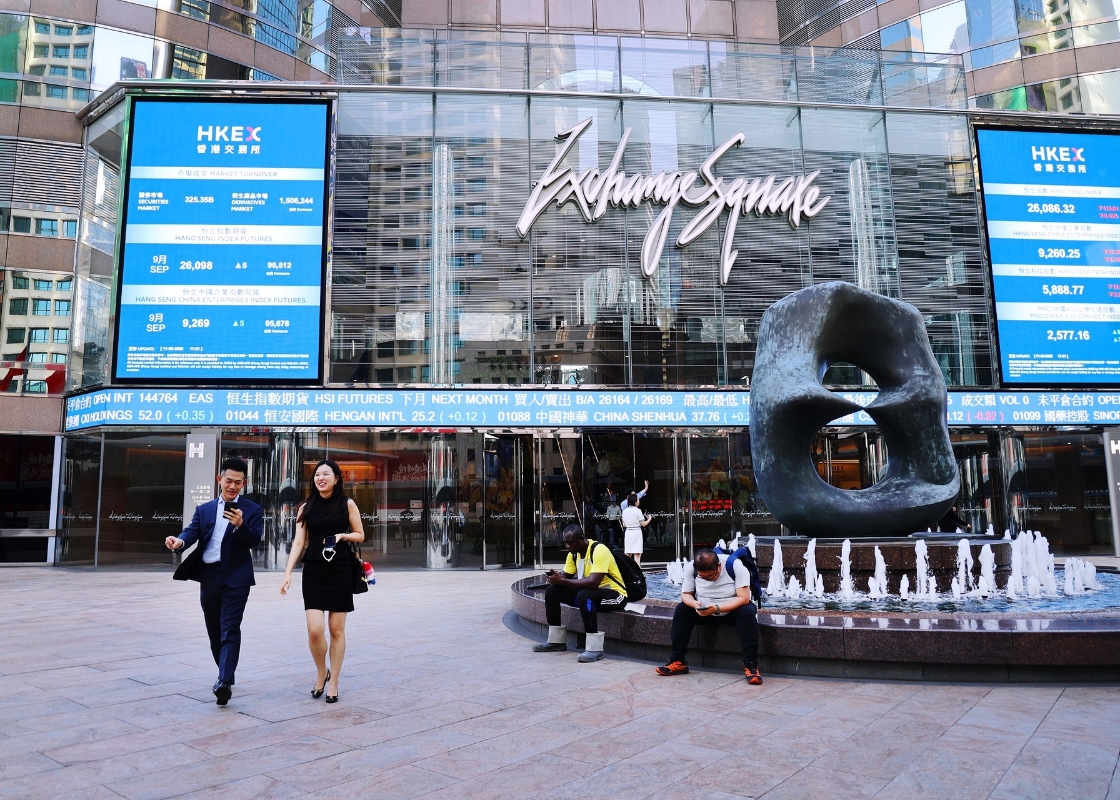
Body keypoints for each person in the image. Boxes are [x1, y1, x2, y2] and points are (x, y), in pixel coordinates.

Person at [166, 457, 263, 706]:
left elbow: (254, 540)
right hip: (209, 576)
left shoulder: (253, 510)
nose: (233, 486)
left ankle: (224, 681)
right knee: (214, 630)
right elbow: (192, 531)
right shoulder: (205, 509)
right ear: (219, 479)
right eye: (229, 480)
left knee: (230, 627)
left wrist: (241, 525)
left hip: (237, 578)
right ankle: (225, 670)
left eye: (238, 482)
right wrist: (180, 541)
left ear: (244, 484)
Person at [280, 459, 365, 704]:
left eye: (326, 474)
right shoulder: (305, 507)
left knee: (337, 630)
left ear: (336, 479)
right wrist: (288, 572)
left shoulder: (347, 504)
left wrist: (342, 536)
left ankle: (334, 681)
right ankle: (321, 672)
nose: (321, 478)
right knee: (315, 631)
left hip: (340, 569)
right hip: (314, 570)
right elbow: (299, 542)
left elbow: (360, 535)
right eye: (317, 474)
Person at [656, 548, 763, 685]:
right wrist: (695, 604)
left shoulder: (735, 566)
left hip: (731, 610)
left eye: (711, 576)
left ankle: (751, 666)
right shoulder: (691, 568)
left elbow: (744, 598)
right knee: (681, 610)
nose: (707, 579)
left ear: (718, 566)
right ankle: (678, 660)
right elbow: (686, 594)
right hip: (704, 611)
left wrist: (718, 608)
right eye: (703, 577)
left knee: (747, 612)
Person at [532, 524, 628, 663]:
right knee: (552, 591)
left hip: (616, 596)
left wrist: (562, 581)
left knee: (585, 595)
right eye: (565, 542)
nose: (568, 546)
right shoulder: (573, 554)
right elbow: (566, 577)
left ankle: (594, 649)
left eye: (571, 542)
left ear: (582, 539)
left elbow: (593, 583)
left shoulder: (599, 550)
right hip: (591, 595)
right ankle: (556, 642)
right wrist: (556, 578)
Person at [621, 491, 651, 565]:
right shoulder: (638, 511)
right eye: (638, 500)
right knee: (637, 555)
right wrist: (649, 519)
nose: (639, 501)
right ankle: (637, 571)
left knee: (628, 554)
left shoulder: (625, 511)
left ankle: (627, 570)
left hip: (628, 532)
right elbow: (643, 524)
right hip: (636, 532)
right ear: (635, 501)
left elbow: (624, 524)